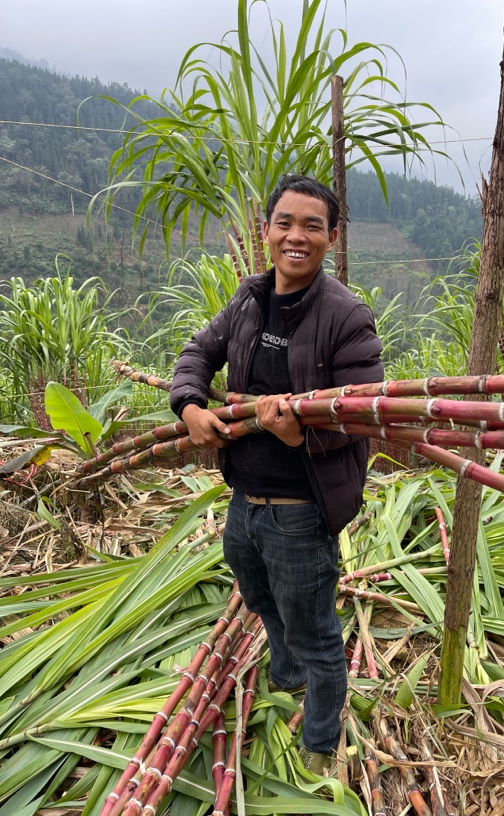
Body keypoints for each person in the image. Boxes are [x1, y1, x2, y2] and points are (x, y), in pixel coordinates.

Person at [170, 175, 384, 773]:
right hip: (244, 497)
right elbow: (196, 355)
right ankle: (284, 676)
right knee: (260, 597)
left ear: (332, 238)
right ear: (266, 231)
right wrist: (189, 406)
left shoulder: (347, 316)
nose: (297, 236)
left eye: (312, 225)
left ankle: (320, 748)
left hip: (299, 508)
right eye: (285, 223)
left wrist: (302, 431)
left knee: (316, 633)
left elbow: (360, 414)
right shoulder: (249, 298)